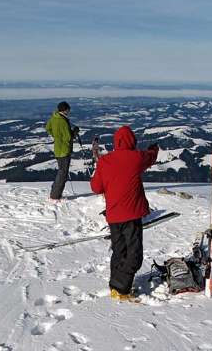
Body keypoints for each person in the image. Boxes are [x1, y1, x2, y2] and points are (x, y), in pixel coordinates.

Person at [90, 126, 159, 300]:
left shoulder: (105, 161)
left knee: (119, 251)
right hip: (132, 215)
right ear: (132, 141)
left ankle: (115, 285)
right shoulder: (136, 158)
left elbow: (96, 188)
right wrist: (153, 149)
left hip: (113, 216)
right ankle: (122, 289)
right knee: (134, 254)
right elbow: (150, 157)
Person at [45, 101, 79, 201]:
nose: (69, 111)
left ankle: (54, 193)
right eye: (68, 109)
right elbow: (68, 137)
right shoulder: (63, 121)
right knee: (63, 173)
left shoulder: (53, 118)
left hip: (57, 149)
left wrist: (56, 136)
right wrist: (75, 132)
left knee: (61, 172)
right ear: (65, 110)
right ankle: (55, 196)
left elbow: (48, 128)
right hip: (64, 150)